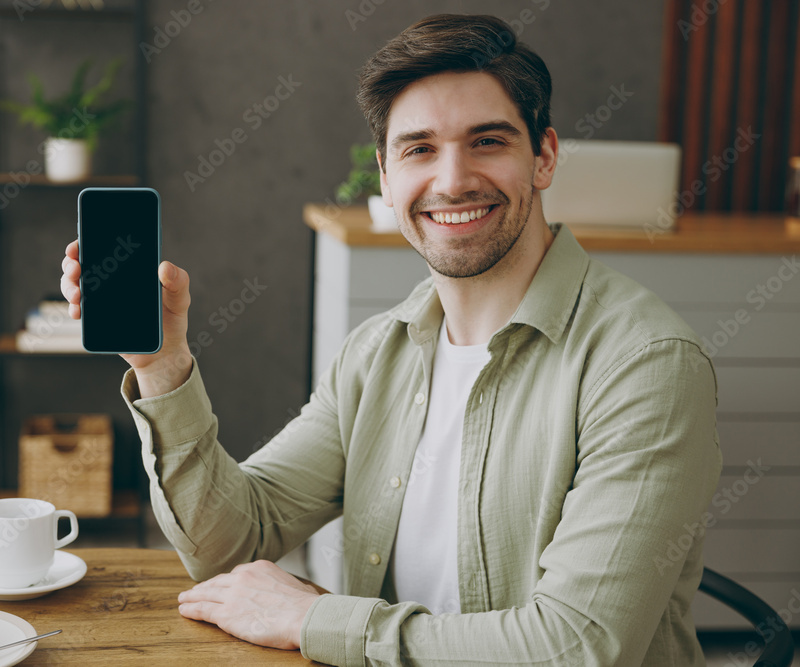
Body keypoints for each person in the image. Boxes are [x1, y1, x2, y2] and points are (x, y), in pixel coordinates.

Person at [60, 14, 721, 666]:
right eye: (419, 148)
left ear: (543, 157)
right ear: (385, 174)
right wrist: (162, 362)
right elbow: (236, 540)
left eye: (487, 141)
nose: (453, 179)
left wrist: (314, 617)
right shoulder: (378, 352)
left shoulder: (646, 365)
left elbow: (578, 648)